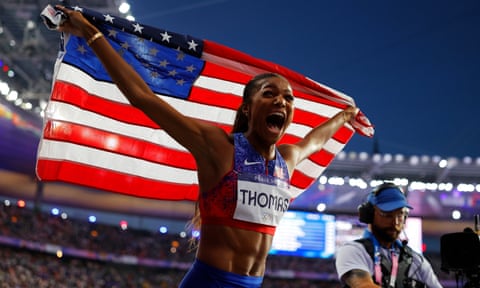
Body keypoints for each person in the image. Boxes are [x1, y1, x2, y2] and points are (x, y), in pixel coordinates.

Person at [54, 6, 361, 287]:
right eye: (270, 93)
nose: (281, 100)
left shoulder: (288, 159)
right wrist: (92, 34)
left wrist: (347, 115)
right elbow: (143, 97)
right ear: (246, 109)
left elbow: (316, 139)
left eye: (288, 98)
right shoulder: (219, 147)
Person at [335, 183, 443, 288]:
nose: (395, 222)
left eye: (400, 214)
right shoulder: (354, 251)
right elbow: (363, 285)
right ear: (370, 215)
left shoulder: (417, 260)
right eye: (387, 215)